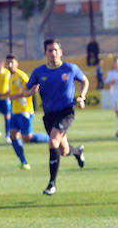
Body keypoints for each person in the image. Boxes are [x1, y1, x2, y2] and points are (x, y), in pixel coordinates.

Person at [22, 39, 89, 195]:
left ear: (61, 52)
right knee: (64, 150)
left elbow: (84, 80)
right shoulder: (38, 72)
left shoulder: (70, 68)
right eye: (50, 50)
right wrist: (31, 92)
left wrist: (82, 97)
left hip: (66, 113)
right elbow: (25, 92)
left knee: (52, 142)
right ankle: (78, 152)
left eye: (55, 50)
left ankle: (52, 184)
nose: (53, 53)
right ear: (45, 53)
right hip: (49, 116)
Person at [5, 54, 49, 169]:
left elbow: (31, 90)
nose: (9, 65)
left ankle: (51, 138)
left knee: (27, 138)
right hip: (15, 111)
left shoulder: (22, 76)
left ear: (16, 64)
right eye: (8, 63)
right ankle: (23, 162)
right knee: (12, 135)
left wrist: (14, 96)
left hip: (25, 111)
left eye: (11, 63)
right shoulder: (10, 77)